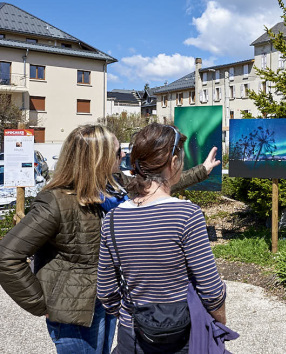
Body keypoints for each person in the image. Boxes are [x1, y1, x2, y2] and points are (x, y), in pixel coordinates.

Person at [0, 124, 220, 354]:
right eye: (117, 152)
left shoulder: (112, 188)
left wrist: (202, 171)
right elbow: (7, 256)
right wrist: (40, 304)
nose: (124, 154)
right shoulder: (56, 202)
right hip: (74, 316)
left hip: (105, 302)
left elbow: (159, 184)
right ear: (98, 158)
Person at [97, 123, 226, 353]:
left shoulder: (113, 219)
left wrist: (129, 314)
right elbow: (212, 291)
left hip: (133, 336)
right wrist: (219, 322)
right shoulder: (187, 215)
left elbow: (106, 291)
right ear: (174, 163)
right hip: (183, 335)